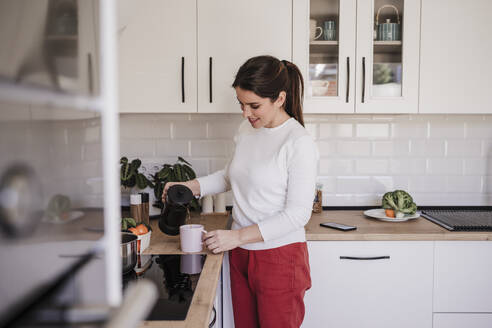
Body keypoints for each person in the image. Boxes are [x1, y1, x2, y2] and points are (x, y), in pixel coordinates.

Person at [162, 55, 318, 328]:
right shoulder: (246, 130)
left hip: (279, 257)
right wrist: (190, 187)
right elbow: (229, 176)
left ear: (280, 99)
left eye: (254, 105)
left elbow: (297, 215)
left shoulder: (298, 142)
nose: (246, 113)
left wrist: (235, 236)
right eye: (242, 104)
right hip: (241, 254)